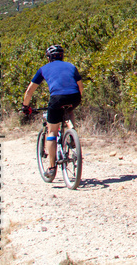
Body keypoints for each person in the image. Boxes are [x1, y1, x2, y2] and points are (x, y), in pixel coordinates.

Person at [22, 45, 83, 182]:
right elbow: (80, 87)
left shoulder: (43, 69)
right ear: (62, 56)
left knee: (52, 132)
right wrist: (76, 99)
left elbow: (30, 91)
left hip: (57, 99)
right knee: (69, 110)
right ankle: (72, 133)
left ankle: (51, 167)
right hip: (75, 97)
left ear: (48, 57)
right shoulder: (71, 66)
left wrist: (25, 106)